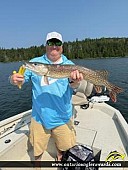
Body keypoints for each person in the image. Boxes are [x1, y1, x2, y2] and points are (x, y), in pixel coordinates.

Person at [10, 31, 83, 164]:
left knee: (64, 147)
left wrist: (76, 82)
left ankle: (59, 156)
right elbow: (21, 79)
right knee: (37, 150)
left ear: (62, 46)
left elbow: (74, 87)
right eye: (51, 43)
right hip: (39, 117)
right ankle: (38, 164)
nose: (54, 46)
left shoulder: (70, 65)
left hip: (62, 116)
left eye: (57, 43)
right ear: (46, 45)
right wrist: (14, 79)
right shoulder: (35, 63)